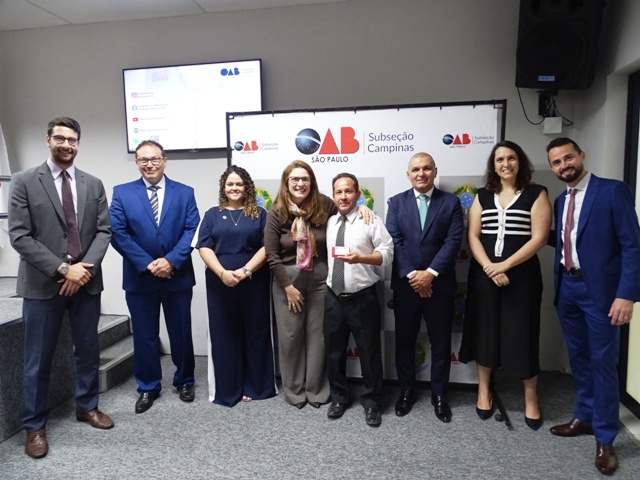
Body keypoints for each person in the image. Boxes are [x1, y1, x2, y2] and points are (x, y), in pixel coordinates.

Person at [8, 117, 114, 459]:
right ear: (48, 140)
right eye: (60, 139)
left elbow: (104, 231)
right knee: (37, 359)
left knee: (87, 350)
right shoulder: (24, 181)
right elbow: (19, 236)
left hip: (86, 283)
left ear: (78, 144)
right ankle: (34, 426)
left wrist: (81, 272)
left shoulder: (92, 184)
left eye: (72, 140)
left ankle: (87, 406)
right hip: (43, 284)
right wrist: (64, 268)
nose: (67, 145)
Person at [546, 137, 640, 476]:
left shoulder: (612, 191)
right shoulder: (560, 200)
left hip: (600, 292)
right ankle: (584, 417)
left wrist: (626, 294)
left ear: (581, 155)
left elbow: (632, 246)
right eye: (557, 162)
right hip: (568, 288)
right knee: (579, 358)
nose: (564, 165)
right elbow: (568, 240)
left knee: (602, 362)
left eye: (568, 158)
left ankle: (605, 437)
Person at [265, 160, 372, 409]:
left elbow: (347, 211)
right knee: (291, 336)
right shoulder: (277, 210)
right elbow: (271, 253)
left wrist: (364, 208)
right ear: (286, 183)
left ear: (311, 181)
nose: (300, 183)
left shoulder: (324, 204)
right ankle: (295, 391)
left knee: (318, 337)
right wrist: (287, 287)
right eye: (295, 179)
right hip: (287, 280)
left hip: (320, 279)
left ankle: (316, 390)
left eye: (305, 179)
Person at [459, 140, 551, 430]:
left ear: (519, 161)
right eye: (499, 159)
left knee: (523, 333)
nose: (506, 164)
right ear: (493, 165)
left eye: (511, 158)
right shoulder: (482, 195)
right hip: (484, 275)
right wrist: (490, 267)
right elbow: (473, 236)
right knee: (484, 332)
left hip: (521, 277)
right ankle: (484, 391)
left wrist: (504, 265)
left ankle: (531, 397)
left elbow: (540, 238)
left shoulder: (536, 193)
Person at [110, 140, 200, 414]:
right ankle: (148, 386)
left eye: (154, 159)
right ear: (137, 163)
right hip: (140, 278)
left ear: (164, 160)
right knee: (145, 336)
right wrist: (149, 264)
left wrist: (171, 261)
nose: (149, 164)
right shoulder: (122, 193)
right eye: (143, 160)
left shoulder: (185, 192)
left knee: (181, 332)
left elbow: (192, 230)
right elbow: (118, 233)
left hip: (177, 275)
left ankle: (185, 380)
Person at [386, 152, 463, 423]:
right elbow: (394, 241)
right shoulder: (395, 203)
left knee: (440, 342)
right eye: (416, 169)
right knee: (404, 341)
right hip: (406, 287)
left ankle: (439, 395)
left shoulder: (451, 202)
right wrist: (413, 276)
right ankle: (406, 391)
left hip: (439, 286)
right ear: (408, 174)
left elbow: (453, 241)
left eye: (426, 168)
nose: (421, 173)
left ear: (435, 171)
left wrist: (429, 274)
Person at [195, 165, 276, 407]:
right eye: (230, 184)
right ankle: (228, 388)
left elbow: (267, 247)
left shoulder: (261, 214)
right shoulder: (212, 214)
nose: (234, 188)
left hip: (254, 281)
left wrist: (245, 271)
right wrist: (222, 273)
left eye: (239, 184)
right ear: (223, 187)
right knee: (225, 334)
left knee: (256, 333)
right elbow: (204, 247)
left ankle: (255, 386)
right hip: (220, 283)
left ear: (247, 187)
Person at [324, 173, 393, 427]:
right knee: (333, 353)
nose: (343, 196)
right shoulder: (330, 222)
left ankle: (373, 402)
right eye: (338, 192)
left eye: (348, 191)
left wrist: (361, 258)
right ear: (333, 195)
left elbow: (387, 253)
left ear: (357, 193)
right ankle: (338, 398)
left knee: (369, 352)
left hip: (362, 298)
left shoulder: (370, 219)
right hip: (333, 297)